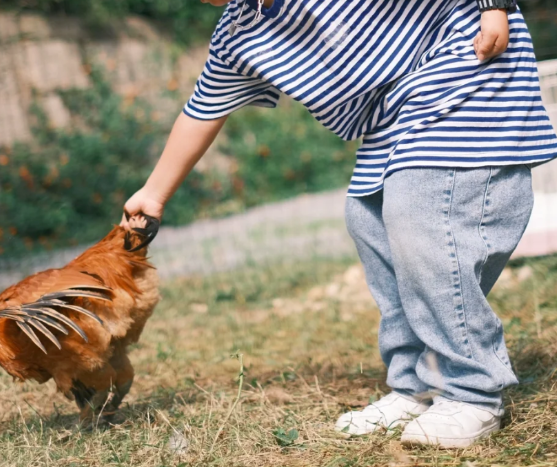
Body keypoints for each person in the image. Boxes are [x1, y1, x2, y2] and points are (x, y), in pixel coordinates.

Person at [122, 0, 557, 448]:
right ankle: (416, 385)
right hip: (396, 105)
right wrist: (153, 195)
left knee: (421, 209)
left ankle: (473, 392)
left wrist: (494, 6)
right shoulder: (240, 33)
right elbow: (203, 108)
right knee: (368, 217)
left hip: (467, 50)